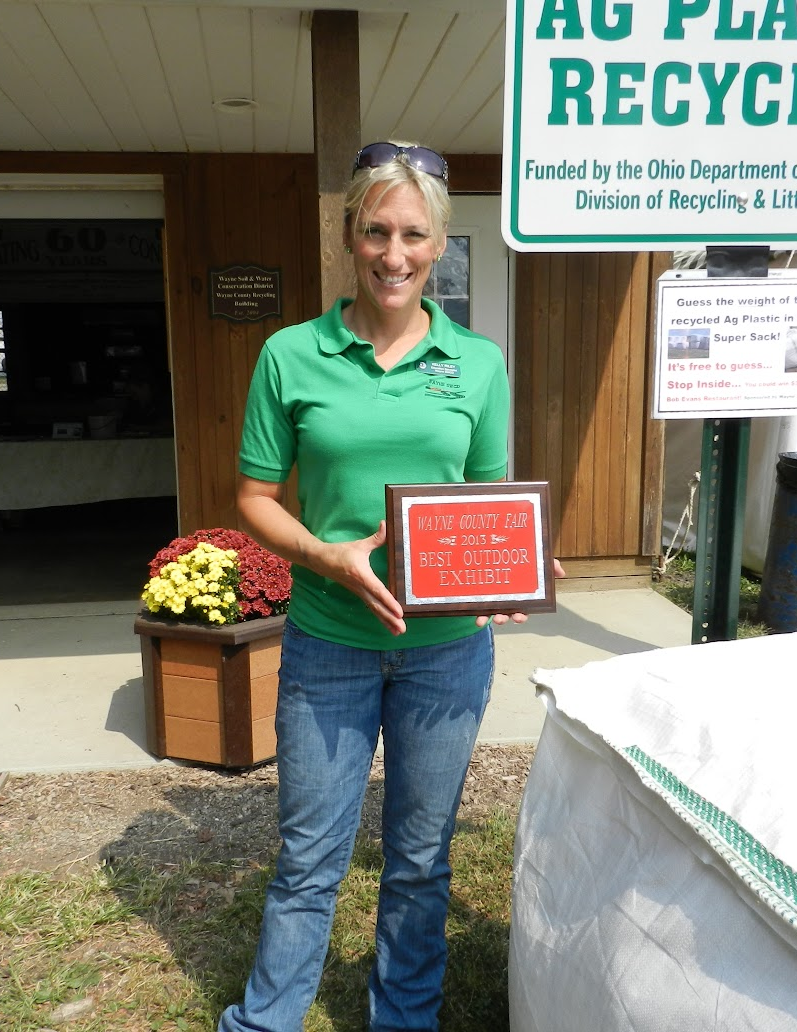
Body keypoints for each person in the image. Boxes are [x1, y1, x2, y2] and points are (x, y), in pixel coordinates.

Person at [220, 141, 557, 1032]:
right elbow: (253, 497)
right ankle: (266, 1021)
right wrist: (327, 557)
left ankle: (403, 1019)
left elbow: (488, 502)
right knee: (307, 859)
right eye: (376, 232)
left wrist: (519, 563)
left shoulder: (477, 364)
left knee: (418, 858)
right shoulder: (291, 355)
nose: (394, 254)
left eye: (413, 234)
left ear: (439, 244)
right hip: (328, 643)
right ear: (347, 237)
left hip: (445, 655)